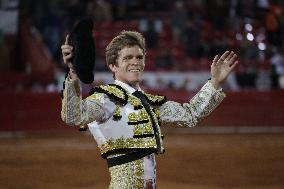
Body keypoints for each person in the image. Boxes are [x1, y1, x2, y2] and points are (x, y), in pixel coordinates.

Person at [61, 31, 238, 189]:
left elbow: (190, 114)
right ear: (113, 66)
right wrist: (73, 73)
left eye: (139, 57)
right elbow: (73, 116)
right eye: (127, 58)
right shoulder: (105, 98)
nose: (135, 62)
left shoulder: (150, 103)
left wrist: (214, 82)